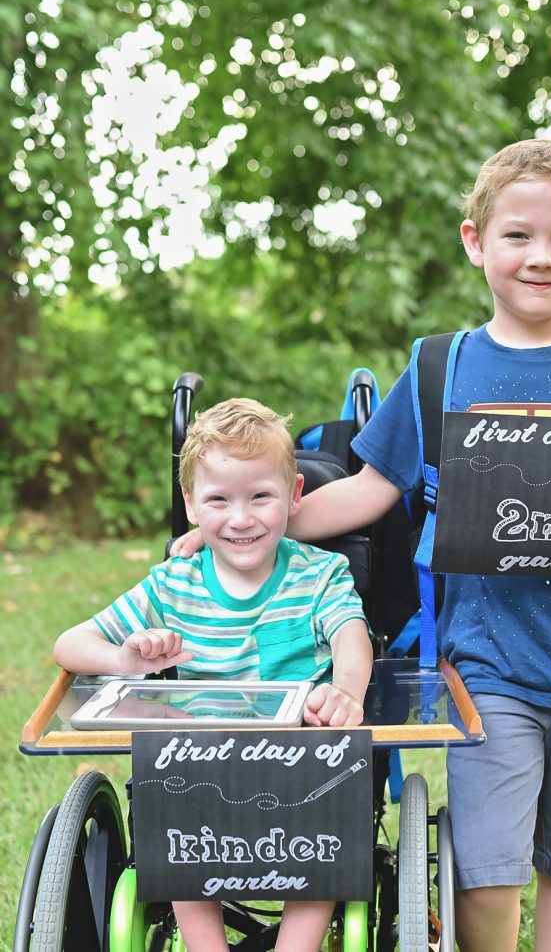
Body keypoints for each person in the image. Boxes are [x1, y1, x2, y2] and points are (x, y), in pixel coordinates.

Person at [171, 140, 551, 952]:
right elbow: (369, 489)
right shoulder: (439, 368)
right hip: (487, 663)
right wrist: (241, 526)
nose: (541, 256)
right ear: (476, 242)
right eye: (518, 235)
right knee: (487, 873)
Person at [54, 397, 373, 952]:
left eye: (261, 497)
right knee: (174, 804)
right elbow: (69, 644)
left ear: (294, 494)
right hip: (198, 772)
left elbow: (352, 635)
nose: (241, 518)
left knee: (326, 814)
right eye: (219, 500)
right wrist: (126, 660)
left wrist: (345, 691)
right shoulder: (172, 585)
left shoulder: (320, 573)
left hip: (298, 768)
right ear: (191, 504)